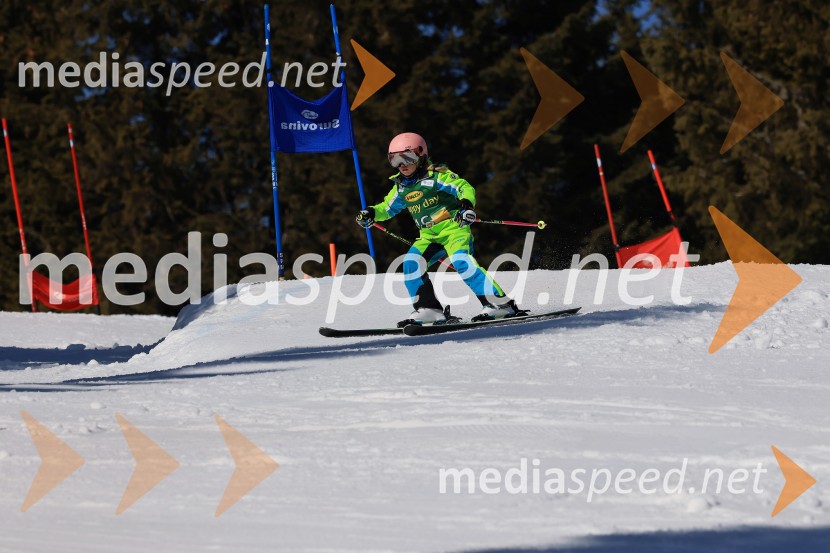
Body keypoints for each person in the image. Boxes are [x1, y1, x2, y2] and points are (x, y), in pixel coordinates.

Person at [356, 132, 521, 326]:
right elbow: (387, 207)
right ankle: (429, 309)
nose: (402, 164)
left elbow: (463, 187)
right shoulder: (401, 187)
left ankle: (500, 305)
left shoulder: (436, 177)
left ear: (421, 155)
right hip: (429, 236)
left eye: (407, 157)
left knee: (461, 262)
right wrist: (371, 213)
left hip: (454, 230)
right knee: (411, 263)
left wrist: (466, 206)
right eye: (395, 160)